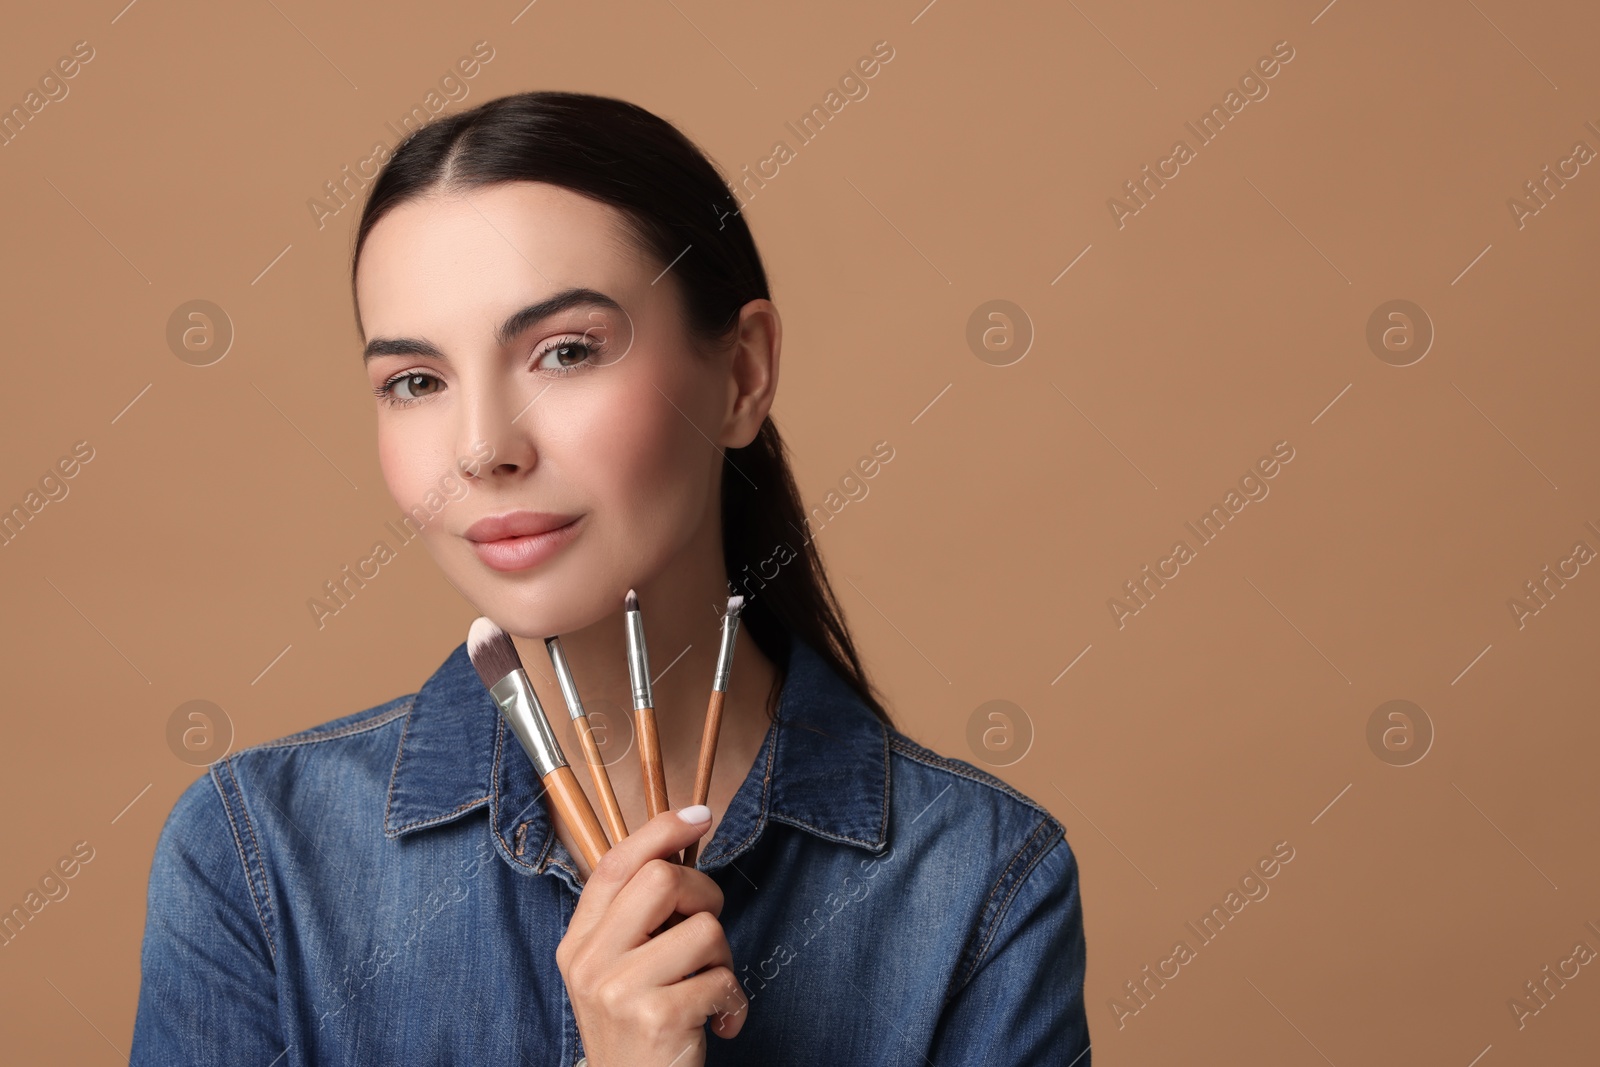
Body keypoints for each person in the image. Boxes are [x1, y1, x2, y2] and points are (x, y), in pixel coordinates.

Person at [129, 90, 1091, 1066]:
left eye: (566, 351)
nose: (482, 448)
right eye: (416, 380)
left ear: (743, 374)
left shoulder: (978, 880)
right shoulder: (256, 856)